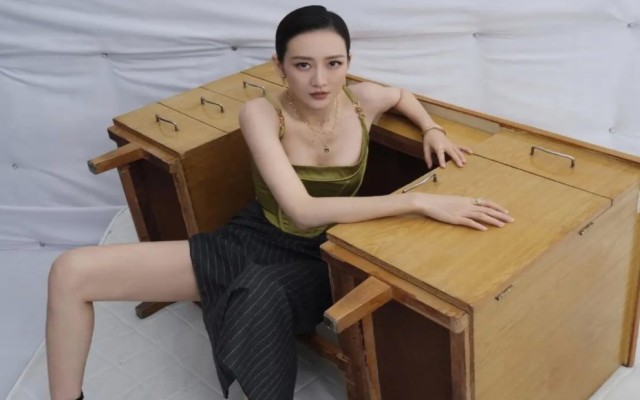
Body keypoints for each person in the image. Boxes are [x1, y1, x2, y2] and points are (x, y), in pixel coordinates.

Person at [46, 5, 514, 400]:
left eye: (333, 63)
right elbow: (301, 210)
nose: (320, 80)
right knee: (70, 271)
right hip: (256, 236)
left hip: (325, 255)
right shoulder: (261, 112)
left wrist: (432, 128)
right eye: (303, 65)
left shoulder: (364, 100)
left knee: (258, 294)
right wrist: (417, 203)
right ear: (279, 66)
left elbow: (402, 96)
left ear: (349, 63)